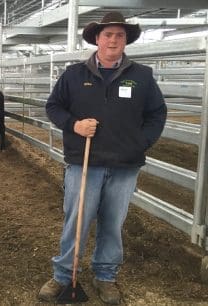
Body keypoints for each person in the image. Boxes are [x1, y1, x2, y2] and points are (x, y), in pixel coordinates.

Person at [38, 12, 167, 304]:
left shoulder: (141, 76)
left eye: (119, 35)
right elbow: (53, 106)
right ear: (97, 39)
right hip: (84, 163)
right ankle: (63, 275)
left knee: (112, 223)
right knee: (77, 221)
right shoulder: (74, 75)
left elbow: (157, 113)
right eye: (108, 35)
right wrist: (74, 125)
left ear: (126, 41)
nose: (113, 40)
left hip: (124, 165)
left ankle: (106, 276)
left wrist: (141, 142)